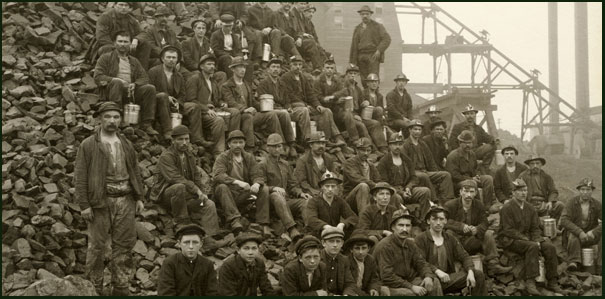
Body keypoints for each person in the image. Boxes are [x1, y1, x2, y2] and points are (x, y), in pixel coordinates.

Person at [74, 102, 146, 295]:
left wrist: (139, 197)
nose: (112, 121)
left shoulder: (126, 144)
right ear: (99, 119)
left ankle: (121, 287)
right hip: (100, 202)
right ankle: (93, 287)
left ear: (120, 120)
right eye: (107, 117)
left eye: (116, 117)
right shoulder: (89, 145)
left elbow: (135, 171)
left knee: (124, 245)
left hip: (126, 200)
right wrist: (84, 205)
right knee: (97, 247)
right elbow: (80, 177)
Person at [149, 125, 220, 235]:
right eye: (180, 139)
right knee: (179, 187)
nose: (184, 142)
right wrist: (196, 189)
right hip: (167, 197)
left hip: (186, 197)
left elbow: (196, 176)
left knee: (208, 204)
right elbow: (174, 178)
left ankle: (211, 236)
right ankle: (181, 223)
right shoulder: (166, 156)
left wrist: (202, 193)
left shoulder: (189, 155)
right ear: (173, 141)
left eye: (187, 139)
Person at [497, 179, 563, 295]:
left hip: (528, 238)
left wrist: (537, 239)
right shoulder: (507, 208)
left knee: (549, 247)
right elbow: (508, 230)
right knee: (532, 247)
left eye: (525, 190)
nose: (523, 193)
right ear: (513, 192)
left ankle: (552, 281)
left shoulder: (530, 207)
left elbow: (535, 228)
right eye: (520, 191)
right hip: (510, 240)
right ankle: (530, 281)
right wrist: (529, 240)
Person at [93, 30, 158, 136]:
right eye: (120, 41)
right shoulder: (106, 58)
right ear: (114, 43)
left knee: (150, 88)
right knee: (117, 83)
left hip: (129, 93)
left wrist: (135, 84)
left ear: (130, 44)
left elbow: (144, 77)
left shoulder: (134, 61)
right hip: (112, 91)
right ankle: (119, 119)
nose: (123, 44)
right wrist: (115, 80)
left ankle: (147, 124)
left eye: (125, 42)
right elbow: (98, 77)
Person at [414, 206, 488, 296]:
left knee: (478, 275)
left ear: (445, 221)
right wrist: (437, 271)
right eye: (434, 219)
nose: (438, 223)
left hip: (447, 279)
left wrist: (470, 271)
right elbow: (420, 262)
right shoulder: (421, 239)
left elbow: (464, 256)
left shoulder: (450, 238)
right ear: (428, 221)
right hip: (429, 278)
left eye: (441, 219)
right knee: (434, 282)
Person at [443, 179, 512, 275]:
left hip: (471, 241)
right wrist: (461, 226)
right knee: (449, 233)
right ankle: (452, 263)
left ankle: (493, 265)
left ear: (475, 193)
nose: (468, 195)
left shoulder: (479, 205)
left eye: (471, 192)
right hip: (456, 242)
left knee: (488, 234)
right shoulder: (450, 205)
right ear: (460, 192)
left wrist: (477, 229)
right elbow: (444, 221)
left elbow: (484, 223)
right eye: (465, 191)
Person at [212, 130, 270, 236]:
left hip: (243, 194)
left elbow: (257, 174)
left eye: (240, 142)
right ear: (229, 144)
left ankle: (263, 223)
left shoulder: (248, 157)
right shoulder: (223, 157)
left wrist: (256, 183)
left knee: (264, 189)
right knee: (222, 187)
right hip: (228, 194)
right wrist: (239, 182)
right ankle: (235, 220)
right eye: (234, 142)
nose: (238, 145)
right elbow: (218, 175)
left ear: (244, 143)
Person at [373, 209, 442, 296]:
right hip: (388, 285)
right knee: (410, 294)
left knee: (434, 282)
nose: (404, 229)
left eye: (408, 225)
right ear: (393, 227)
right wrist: (411, 287)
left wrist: (427, 276)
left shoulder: (410, 243)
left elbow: (421, 263)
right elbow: (387, 276)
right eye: (401, 225)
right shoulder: (385, 246)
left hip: (407, 280)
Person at [220, 56, 282, 151]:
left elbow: (252, 101)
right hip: (239, 116)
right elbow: (231, 102)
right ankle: (250, 147)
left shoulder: (246, 84)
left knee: (271, 114)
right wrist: (245, 109)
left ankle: (274, 143)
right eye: (239, 67)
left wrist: (265, 106)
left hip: (251, 114)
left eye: (244, 67)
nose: (243, 70)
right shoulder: (227, 86)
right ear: (233, 69)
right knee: (248, 116)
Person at [281, 55, 344, 145]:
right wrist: (304, 105)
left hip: (306, 105)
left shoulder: (303, 77)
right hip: (293, 107)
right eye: (295, 64)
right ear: (290, 65)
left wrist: (318, 105)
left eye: (299, 64)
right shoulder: (285, 78)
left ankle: (327, 139)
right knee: (305, 110)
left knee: (326, 111)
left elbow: (311, 94)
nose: (297, 67)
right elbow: (288, 95)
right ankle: (306, 140)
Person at [257, 134, 309, 241]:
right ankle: (291, 229)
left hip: (286, 200)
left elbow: (293, 184)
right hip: (270, 203)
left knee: (305, 202)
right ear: (267, 148)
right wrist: (274, 188)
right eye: (273, 146)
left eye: (279, 146)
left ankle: (309, 229)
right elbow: (261, 185)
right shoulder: (263, 164)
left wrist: (300, 193)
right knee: (276, 196)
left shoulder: (285, 164)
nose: (277, 149)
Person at [257, 57, 310, 145]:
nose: (276, 69)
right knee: (284, 113)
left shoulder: (282, 84)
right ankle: (290, 142)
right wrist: (278, 108)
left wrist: (288, 107)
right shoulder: (263, 84)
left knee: (303, 111)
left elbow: (287, 100)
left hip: (284, 110)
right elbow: (263, 101)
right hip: (271, 111)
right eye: (273, 67)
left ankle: (306, 140)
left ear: (280, 70)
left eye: (278, 67)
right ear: (268, 69)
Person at [403, 119, 455, 208]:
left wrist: (436, 173)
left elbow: (431, 161)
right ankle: (435, 202)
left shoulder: (422, 144)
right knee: (424, 176)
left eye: (419, 130)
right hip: (413, 174)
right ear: (410, 130)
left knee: (445, 175)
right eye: (415, 129)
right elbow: (405, 165)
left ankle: (447, 202)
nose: (417, 132)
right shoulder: (405, 145)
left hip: (425, 171)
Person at [334, 65, 387, 152]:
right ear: (346, 74)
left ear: (358, 75)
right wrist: (339, 101)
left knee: (375, 123)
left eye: (355, 73)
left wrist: (364, 103)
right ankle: (371, 148)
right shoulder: (342, 87)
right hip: (345, 117)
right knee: (361, 125)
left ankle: (383, 147)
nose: (352, 75)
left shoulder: (358, 89)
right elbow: (336, 106)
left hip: (357, 116)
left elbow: (360, 105)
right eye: (350, 73)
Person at [157, 224, 218, 296]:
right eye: (186, 242)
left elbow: (212, 292)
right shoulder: (170, 263)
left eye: (195, 242)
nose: (191, 246)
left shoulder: (208, 265)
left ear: (201, 244)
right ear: (179, 244)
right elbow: (166, 293)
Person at [183, 54, 227, 153]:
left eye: (213, 64)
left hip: (210, 111)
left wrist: (222, 103)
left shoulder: (213, 81)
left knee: (231, 114)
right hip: (198, 113)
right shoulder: (194, 78)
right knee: (218, 120)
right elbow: (190, 99)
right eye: (209, 64)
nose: (212, 66)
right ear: (201, 66)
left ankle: (223, 147)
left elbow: (217, 99)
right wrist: (206, 109)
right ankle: (218, 152)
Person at [446, 130, 496, 209]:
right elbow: (454, 175)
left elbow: (474, 169)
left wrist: (477, 176)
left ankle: (487, 206)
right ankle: (478, 208)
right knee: (472, 183)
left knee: (488, 179)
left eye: (469, 143)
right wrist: (471, 179)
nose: (468, 145)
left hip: (471, 179)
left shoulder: (472, 154)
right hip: (458, 183)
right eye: (465, 143)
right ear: (460, 143)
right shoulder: (453, 156)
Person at [560, 178, 602, 272]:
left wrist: (595, 231)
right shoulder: (571, 203)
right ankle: (574, 262)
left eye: (588, 190)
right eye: (582, 190)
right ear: (579, 190)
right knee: (573, 234)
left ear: (592, 191)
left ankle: (600, 265)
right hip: (573, 236)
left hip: (590, 236)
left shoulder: (597, 204)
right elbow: (564, 220)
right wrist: (579, 232)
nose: (585, 192)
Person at [147, 45, 186, 141]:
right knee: (163, 96)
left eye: (174, 58)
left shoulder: (179, 76)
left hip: (172, 106)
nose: (171, 60)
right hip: (155, 103)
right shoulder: (153, 72)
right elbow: (149, 90)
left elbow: (182, 94)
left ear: (177, 60)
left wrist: (178, 102)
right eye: (168, 57)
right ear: (162, 59)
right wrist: (167, 97)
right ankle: (168, 132)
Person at [304, 171, 358, 238]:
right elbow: (311, 219)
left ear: (336, 188)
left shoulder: (339, 201)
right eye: (327, 186)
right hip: (319, 234)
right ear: (322, 187)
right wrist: (325, 226)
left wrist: (342, 224)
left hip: (335, 233)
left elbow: (353, 217)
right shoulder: (314, 201)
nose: (330, 189)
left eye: (333, 186)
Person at [349, 5, 391, 88]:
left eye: (367, 14)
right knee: (363, 79)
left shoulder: (377, 26)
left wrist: (379, 50)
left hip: (373, 55)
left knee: (373, 79)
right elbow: (354, 46)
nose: (365, 16)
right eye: (363, 14)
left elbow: (387, 39)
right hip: (361, 56)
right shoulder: (357, 29)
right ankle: (367, 98)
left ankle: (375, 98)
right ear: (360, 15)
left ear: (370, 15)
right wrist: (352, 62)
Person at [448, 104, 497, 174]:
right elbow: (452, 142)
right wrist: (458, 154)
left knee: (492, 146)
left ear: (475, 115)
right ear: (464, 115)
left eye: (472, 113)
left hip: (475, 152)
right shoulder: (458, 127)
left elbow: (487, 137)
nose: (470, 116)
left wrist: (494, 140)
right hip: (463, 152)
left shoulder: (478, 128)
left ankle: (484, 166)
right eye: (467, 114)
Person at [519, 154, 564, 222]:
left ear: (541, 164)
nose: (535, 166)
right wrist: (526, 204)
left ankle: (552, 226)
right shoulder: (523, 176)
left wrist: (550, 201)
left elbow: (553, 191)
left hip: (543, 203)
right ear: (528, 165)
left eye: (537, 163)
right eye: (532, 164)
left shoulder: (546, 177)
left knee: (560, 205)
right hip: (529, 202)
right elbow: (518, 191)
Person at [343, 137, 381, 214]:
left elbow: (378, 180)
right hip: (351, 199)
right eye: (363, 150)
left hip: (368, 196)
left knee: (388, 191)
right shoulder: (349, 163)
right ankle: (363, 221)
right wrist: (375, 185)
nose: (366, 153)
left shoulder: (370, 165)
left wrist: (383, 187)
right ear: (357, 150)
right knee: (363, 186)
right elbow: (356, 179)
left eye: (368, 150)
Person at [294, 132, 339, 197]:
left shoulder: (329, 159)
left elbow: (334, 178)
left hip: (328, 193)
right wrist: (317, 193)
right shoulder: (302, 161)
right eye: (318, 143)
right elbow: (302, 183)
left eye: (323, 143)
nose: (321, 146)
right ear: (311, 145)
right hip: (312, 194)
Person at [319, 225, 358, 296]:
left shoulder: (344, 260)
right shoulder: (317, 259)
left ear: (342, 243)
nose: (335, 245)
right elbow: (317, 287)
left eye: (338, 241)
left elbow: (349, 283)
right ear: (323, 243)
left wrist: (346, 294)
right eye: (331, 241)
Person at [344, 231, 385, 296]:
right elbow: (349, 284)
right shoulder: (346, 261)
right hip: (351, 292)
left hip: (365, 290)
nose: (361, 252)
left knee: (384, 290)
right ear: (351, 250)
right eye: (357, 248)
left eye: (364, 248)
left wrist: (373, 288)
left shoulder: (370, 260)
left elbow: (374, 279)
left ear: (368, 249)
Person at [289, 2, 323, 70]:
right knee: (311, 43)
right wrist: (301, 36)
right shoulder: (292, 14)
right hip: (294, 42)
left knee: (321, 49)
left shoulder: (301, 16)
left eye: (304, 4)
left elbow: (312, 35)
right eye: (301, 4)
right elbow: (293, 30)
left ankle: (325, 68)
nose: (303, 6)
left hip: (301, 40)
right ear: (295, 3)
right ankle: (318, 68)